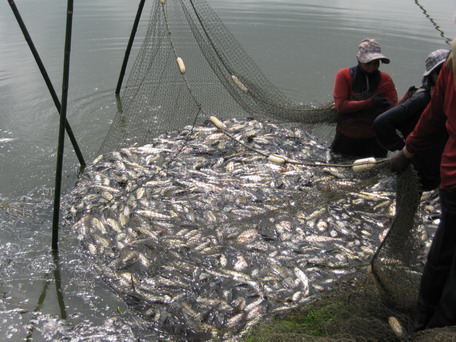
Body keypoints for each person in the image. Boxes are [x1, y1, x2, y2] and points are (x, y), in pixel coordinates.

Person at [391, 38, 456, 331]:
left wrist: (407, 151)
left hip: (450, 177)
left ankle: (422, 317)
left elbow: (432, 116)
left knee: (443, 248)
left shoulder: (451, 68)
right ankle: (441, 327)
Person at [374, 49, 449, 191]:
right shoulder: (422, 99)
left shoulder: (447, 98)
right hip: (419, 164)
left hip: (438, 163)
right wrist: (403, 149)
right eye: (441, 72)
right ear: (432, 76)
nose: (446, 76)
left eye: (449, 72)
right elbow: (381, 123)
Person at [331, 38, 398, 158]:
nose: (372, 66)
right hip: (347, 137)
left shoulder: (386, 79)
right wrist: (370, 102)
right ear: (359, 59)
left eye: (376, 62)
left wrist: (405, 100)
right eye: (368, 62)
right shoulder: (344, 75)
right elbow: (341, 106)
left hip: (375, 139)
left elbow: (394, 109)